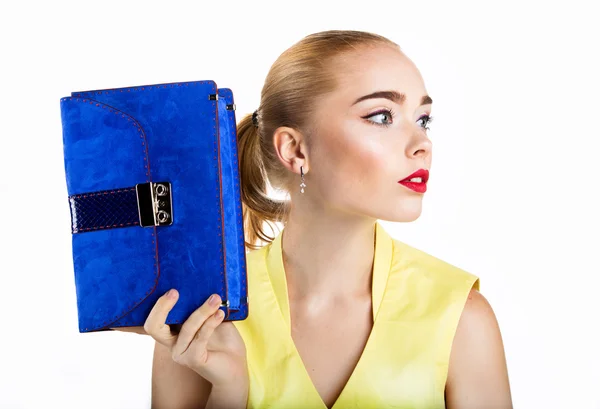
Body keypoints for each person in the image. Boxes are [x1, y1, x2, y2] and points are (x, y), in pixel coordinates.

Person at [137, 30, 513, 409]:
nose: (421, 144)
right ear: (295, 149)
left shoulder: (461, 318)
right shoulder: (201, 314)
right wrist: (229, 394)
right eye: (382, 116)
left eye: (423, 119)